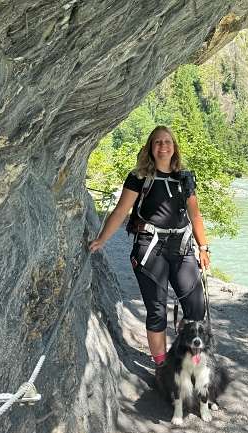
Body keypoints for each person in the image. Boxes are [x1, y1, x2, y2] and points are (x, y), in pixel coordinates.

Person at [89, 125, 210, 367]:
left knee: (196, 308)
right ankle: (162, 367)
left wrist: (204, 248)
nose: (163, 146)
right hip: (150, 248)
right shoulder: (139, 177)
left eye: (167, 142)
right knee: (156, 311)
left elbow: (195, 216)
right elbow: (121, 210)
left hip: (182, 247)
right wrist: (102, 239)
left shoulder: (184, 178)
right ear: (150, 148)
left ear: (174, 147)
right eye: (157, 142)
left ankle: (187, 361)